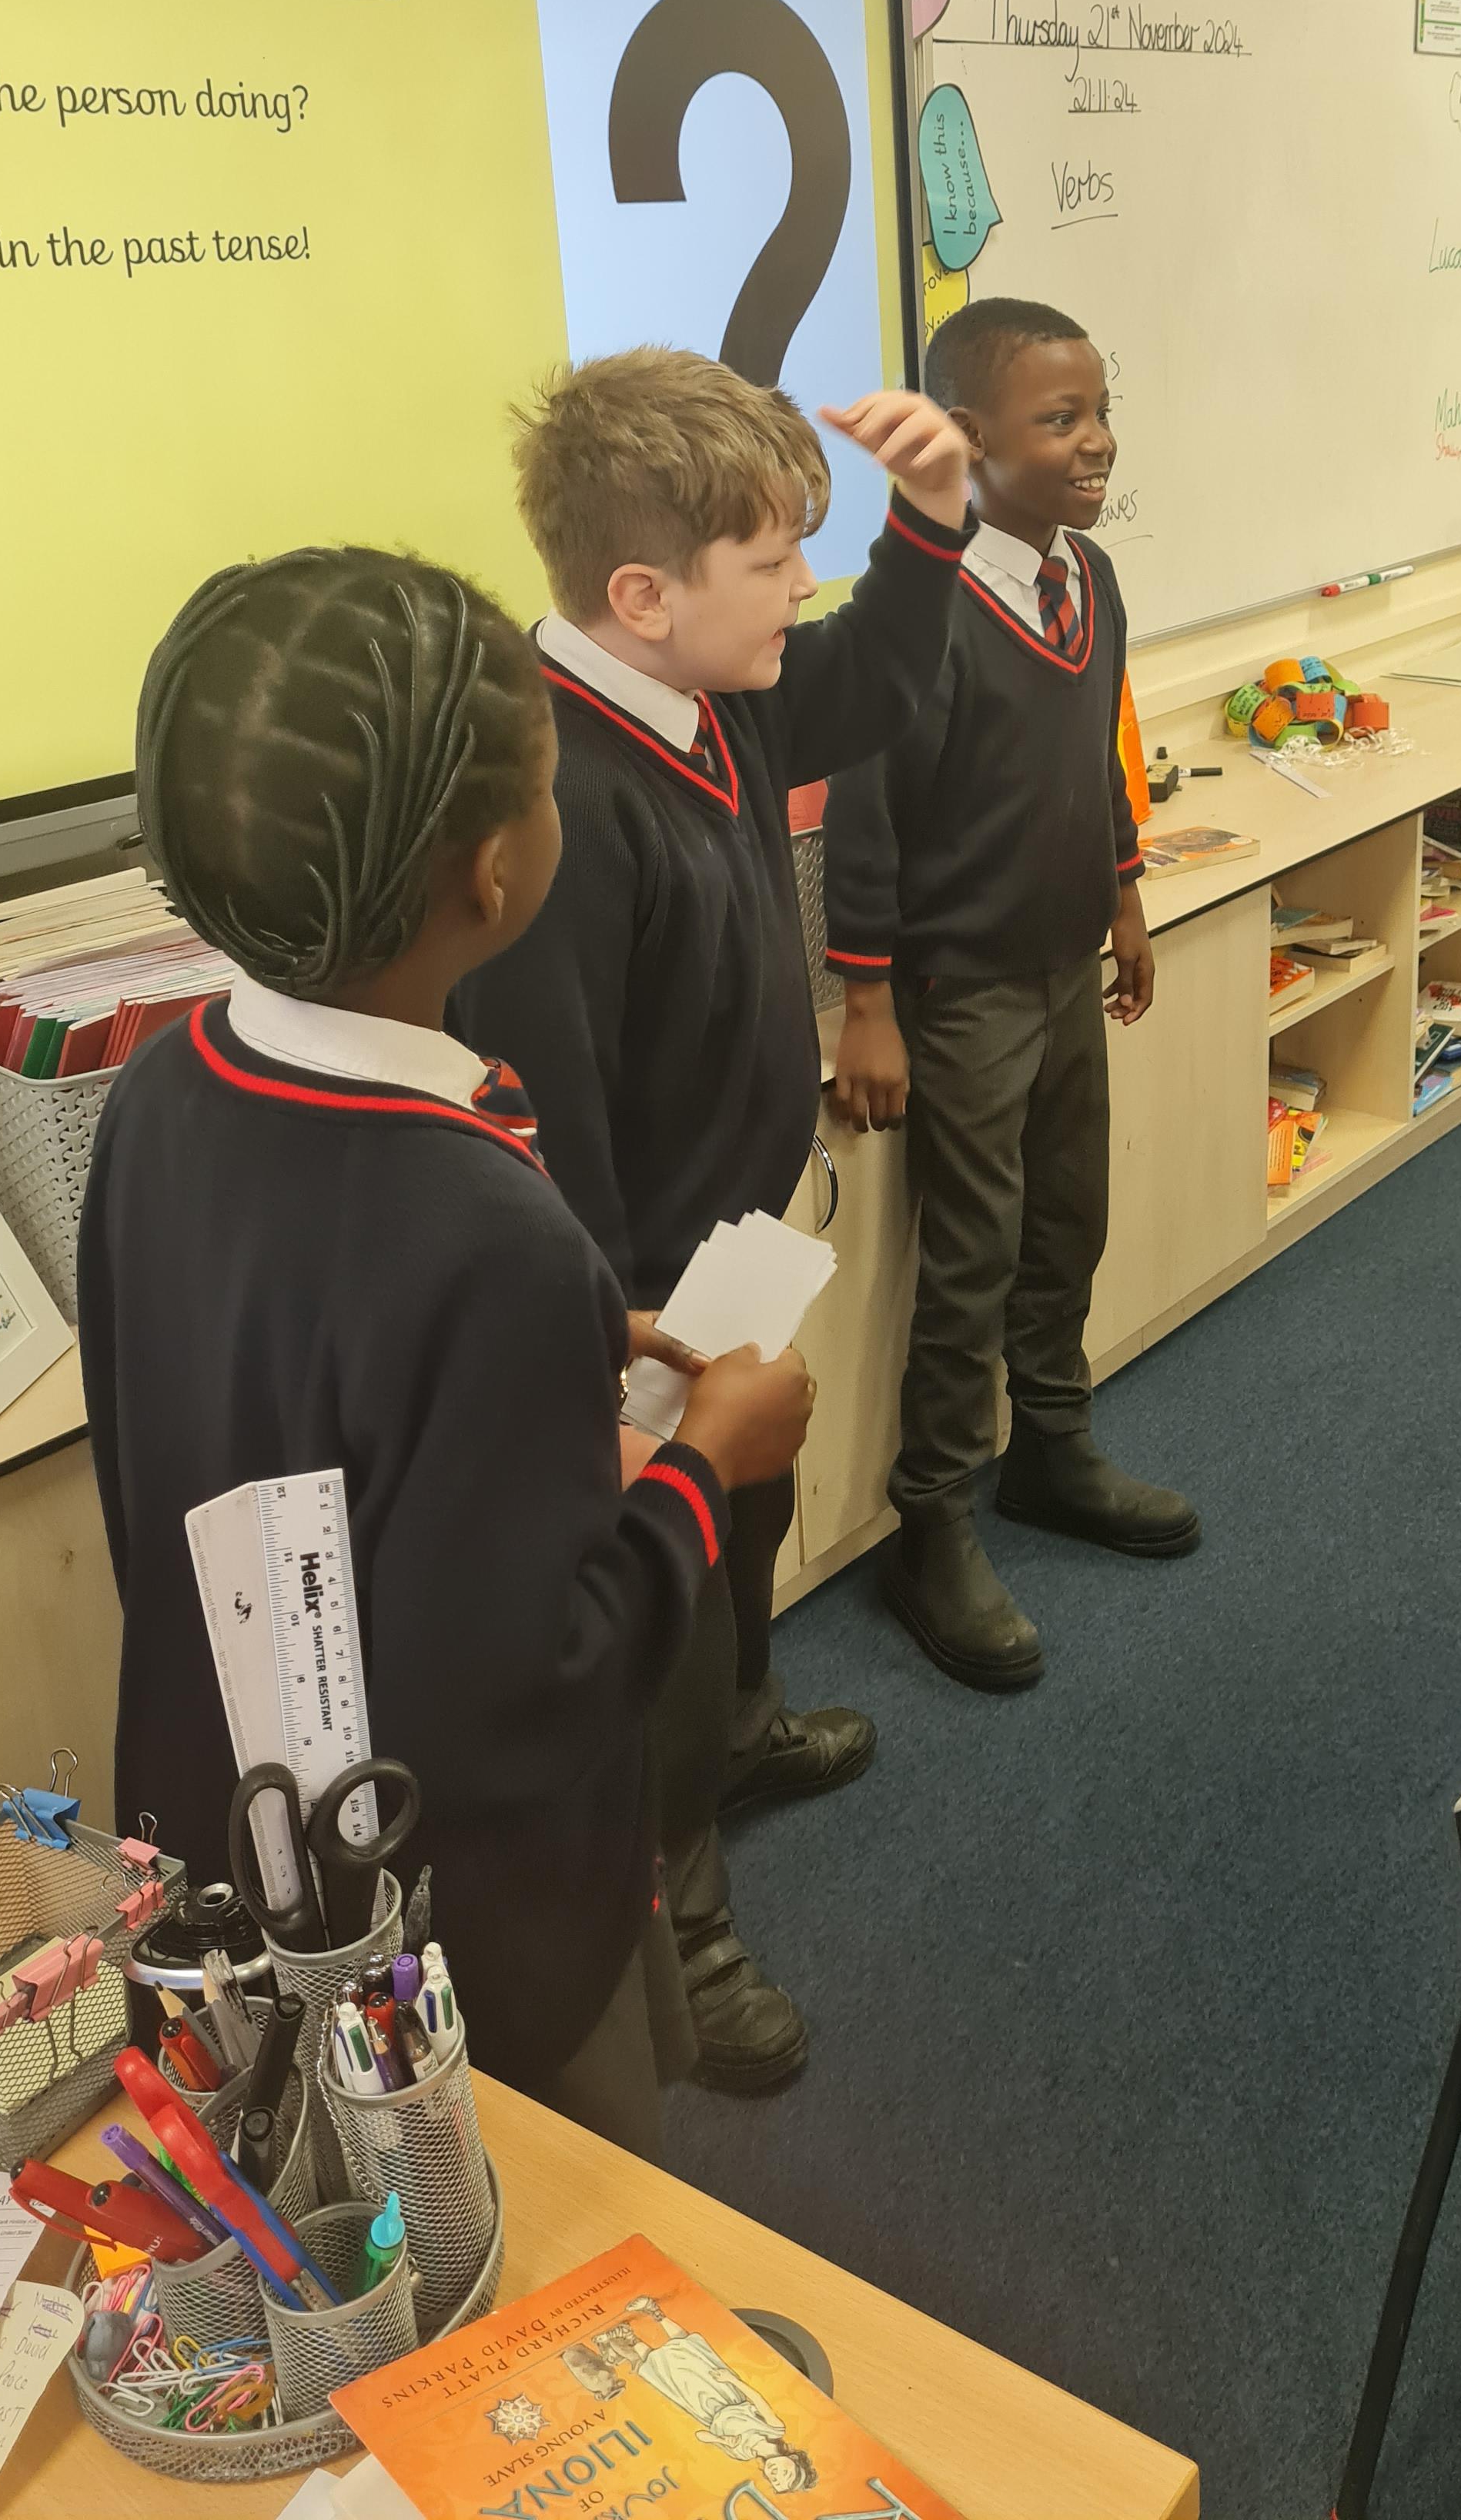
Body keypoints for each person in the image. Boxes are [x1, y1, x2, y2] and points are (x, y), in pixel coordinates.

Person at [80, 546, 814, 2159]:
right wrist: (708, 1466)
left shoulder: (160, 1093)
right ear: (494, 873)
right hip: (448, 1938)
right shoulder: (493, 1233)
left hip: (227, 1840)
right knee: (524, 2211)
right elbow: (531, 1698)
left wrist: (565, 1357)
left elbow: (247, 1423)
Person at [451, 351, 971, 2089]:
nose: (804, 589)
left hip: (735, 1245)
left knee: (742, 1521)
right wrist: (620, 1361)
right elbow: (555, 1122)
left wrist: (931, 521)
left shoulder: (713, 690)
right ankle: (685, 1915)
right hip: (640, 1295)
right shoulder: (558, 801)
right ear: (640, 595)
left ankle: (739, 1733)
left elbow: (874, 680)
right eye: (774, 562)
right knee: (656, 1602)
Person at [823, 298, 1197, 1690]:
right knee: (970, 1256)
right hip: (963, 988)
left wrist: (1124, 894)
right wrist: (869, 1002)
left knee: (1067, 1220)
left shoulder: (1088, 578)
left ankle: (1053, 1447)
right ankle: (933, 1518)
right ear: (970, 441)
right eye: (1061, 420)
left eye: (1100, 413)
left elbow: (1099, 755)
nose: (1096, 442)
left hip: (1063, 968)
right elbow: (864, 819)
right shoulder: (918, 615)